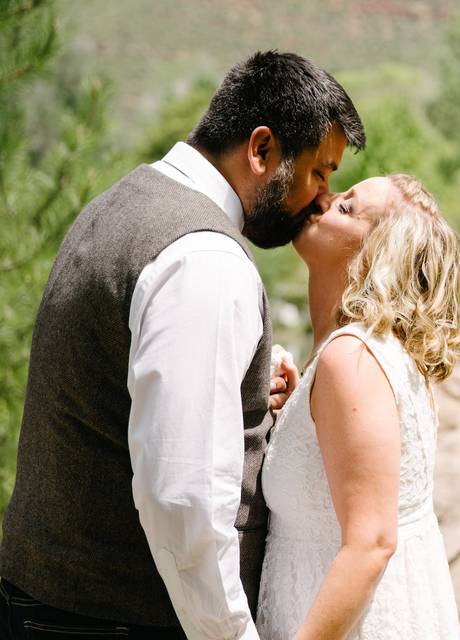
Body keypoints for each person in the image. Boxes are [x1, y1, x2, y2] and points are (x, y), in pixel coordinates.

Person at [0, 51, 364, 639]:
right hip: (125, 619)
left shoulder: (124, 202)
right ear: (262, 150)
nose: (322, 197)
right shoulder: (204, 258)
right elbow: (183, 496)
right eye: (319, 171)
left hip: (52, 604)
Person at [256, 174, 460, 640]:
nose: (323, 200)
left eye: (347, 208)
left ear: (373, 259)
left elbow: (371, 544)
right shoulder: (356, 354)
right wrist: (298, 420)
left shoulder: (350, 358)